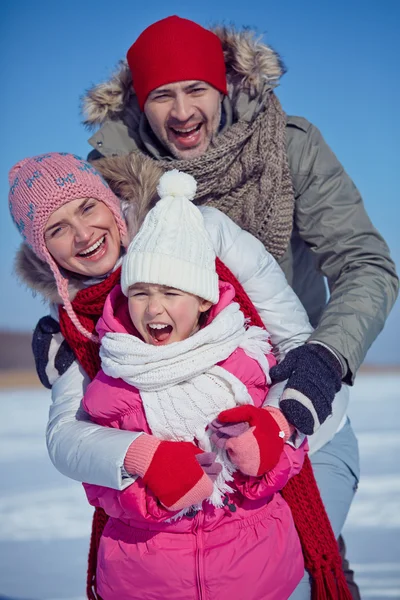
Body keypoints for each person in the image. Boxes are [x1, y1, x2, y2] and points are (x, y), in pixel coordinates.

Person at [79, 15, 399, 596]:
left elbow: (366, 266)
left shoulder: (289, 147)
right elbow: (86, 278)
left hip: (293, 413)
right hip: (177, 449)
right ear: (137, 104)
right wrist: (61, 327)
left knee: (294, 574)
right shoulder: (113, 181)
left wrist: (324, 358)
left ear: (225, 86)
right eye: (161, 95)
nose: (181, 112)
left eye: (196, 89)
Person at [10, 153, 352, 599]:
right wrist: (139, 455)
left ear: (112, 204)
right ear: (44, 252)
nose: (82, 234)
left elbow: (299, 351)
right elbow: (68, 437)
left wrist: (277, 426)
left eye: (87, 208)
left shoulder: (198, 232)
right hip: (158, 552)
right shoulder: (76, 326)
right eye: (56, 229)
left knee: (298, 571)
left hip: (300, 449)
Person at [81, 169, 307, 599]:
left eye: (171, 292)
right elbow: (99, 482)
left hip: (258, 574)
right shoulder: (115, 380)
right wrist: (149, 495)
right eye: (141, 292)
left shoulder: (248, 360)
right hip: (147, 578)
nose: (153, 308)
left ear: (204, 299)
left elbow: (293, 447)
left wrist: (263, 454)